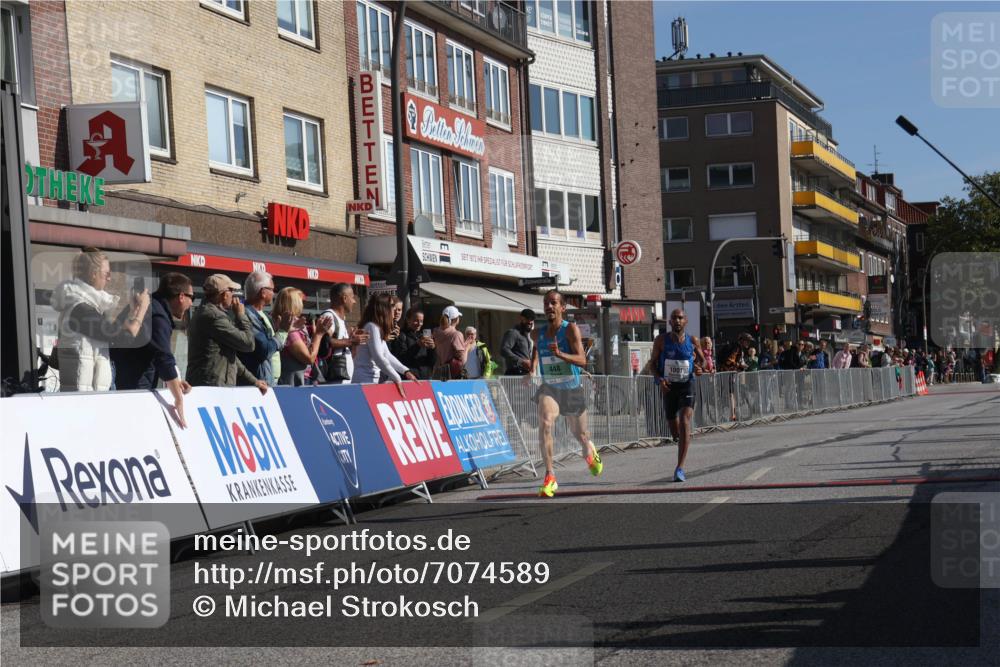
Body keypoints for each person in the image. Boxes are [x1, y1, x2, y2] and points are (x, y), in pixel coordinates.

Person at [532, 289, 603, 497]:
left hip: (571, 389)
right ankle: (550, 476)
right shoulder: (537, 333)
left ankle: (590, 450)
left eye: (553, 303)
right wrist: (531, 366)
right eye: (546, 303)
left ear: (562, 307)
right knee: (545, 422)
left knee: (580, 435)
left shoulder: (570, 329)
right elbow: (537, 348)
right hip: (550, 388)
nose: (549, 306)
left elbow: (582, 360)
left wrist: (560, 354)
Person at [51, 247, 150, 392]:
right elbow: (123, 337)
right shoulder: (81, 310)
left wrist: (131, 311)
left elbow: (112, 331)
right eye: (107, 273)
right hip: (83, 399)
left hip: (85, 394)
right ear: (93, 274)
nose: (109, 278)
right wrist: (142, 310)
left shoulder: (80, 307)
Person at [112, 272, 193, 426]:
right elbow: (163, 357)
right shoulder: (158, 316)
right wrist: (178, 398)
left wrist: (176, 380)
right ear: (181, 296)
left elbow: (155, 352)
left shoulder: (151, 306)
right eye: (192, 298)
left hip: (125, 383)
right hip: (134, 389)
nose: (191, 304)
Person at [185, 274, 267, 393]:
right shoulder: (214, 317)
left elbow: (230, 356)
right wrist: (241, 316)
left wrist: (254, 381)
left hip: (215, 385)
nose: (233, 295)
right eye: (232, 291)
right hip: (212, 388)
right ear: (224, 295)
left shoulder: (210, 313)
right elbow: (249, 344)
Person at [651, 308, 706, 483]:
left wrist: (699, 367)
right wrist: (659, 379)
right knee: (674, 429)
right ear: (669, 321)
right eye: (674, 318)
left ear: (686, 321)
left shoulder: (692, 340)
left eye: (680, 318)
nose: (677, 321)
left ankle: (679, 468)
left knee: (684, 422)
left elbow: (703, 360)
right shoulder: (661, 340)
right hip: (668, 387)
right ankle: (679, 438)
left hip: (687, 385)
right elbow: (652, 364)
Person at [351, 294, 416, 393]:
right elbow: (378, 357)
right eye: (392, 305)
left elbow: (387, 355)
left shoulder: (376, 327)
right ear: (383, 308)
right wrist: (397, 378)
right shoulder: (372, 327)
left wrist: (405, 371)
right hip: (364, 381)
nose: (394, 309)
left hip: (372, 381)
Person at [271, 287, 332, 386]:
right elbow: (309, 358)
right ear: (295, 303)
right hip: (295, 384)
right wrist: (319, 334)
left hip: (300, 380)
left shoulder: (289, 323)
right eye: (301, 301)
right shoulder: (288, 325)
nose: (303, 305)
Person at [319, 283, 368, 384]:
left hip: (342, 378)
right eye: (352, 297)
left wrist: (352, 340)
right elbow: (325, 342)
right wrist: (351, 341)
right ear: (344, 298)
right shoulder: (329, 316)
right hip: (334, 379)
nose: (354, 302)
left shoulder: (341, 319)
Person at [238, 271, 282, 386]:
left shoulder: (264, 315)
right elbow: (264, 349)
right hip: (258, 383)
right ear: (263, 292)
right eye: (272, 289)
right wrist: (283, 331)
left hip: (268, 379)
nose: (274, 293)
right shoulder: (248, 314)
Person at [389, 307, 437, 379]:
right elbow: (401, 360)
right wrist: (417, 345)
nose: (419, 324)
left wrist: (432, 349)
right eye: (416, 320)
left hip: (425, 379)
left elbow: (432, 362)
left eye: (421, 321)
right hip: (409, 379)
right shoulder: (401, 336)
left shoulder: (423, 336)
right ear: (408, 320)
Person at [433, 305, 468, 380]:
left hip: (439, 372)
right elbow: (462, 360)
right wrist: (467, 346)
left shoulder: (436, 332)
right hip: (453, 375)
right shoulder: (456, 334)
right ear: (455, 319)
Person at [501, 308, 535, 375]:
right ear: (521, 319)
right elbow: (503, 350)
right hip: (514, 373)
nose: (530, 323)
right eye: (527, 321)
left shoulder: (527, 336)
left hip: (525, 373)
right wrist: (521, 361)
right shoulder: (513, 332)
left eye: (532, 322)